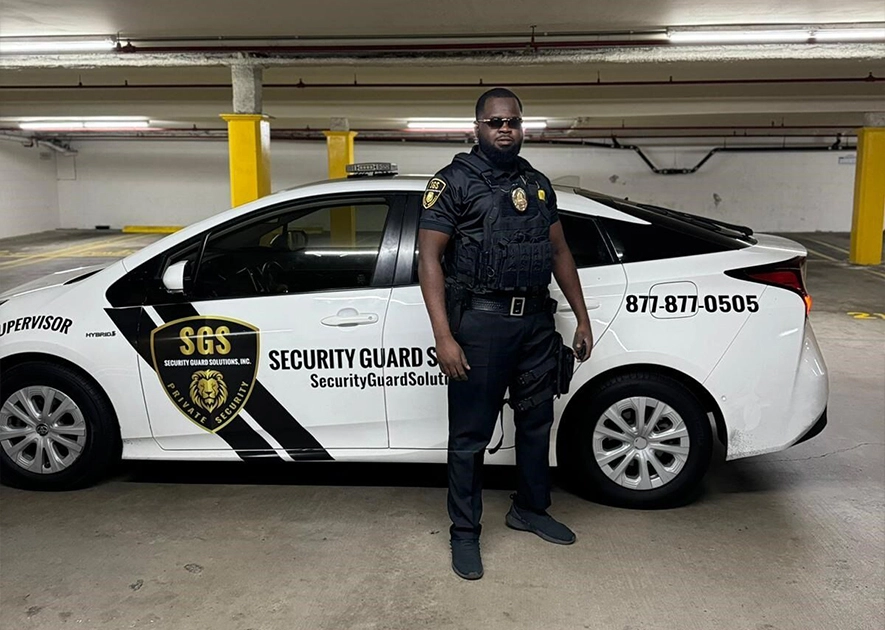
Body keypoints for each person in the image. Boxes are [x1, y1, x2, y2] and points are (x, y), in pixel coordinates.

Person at [417, 87, 593, 580]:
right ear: (477, 127)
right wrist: (444, 336)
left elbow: (559, 251)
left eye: (513, 121)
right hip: (481, 323)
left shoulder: (537, 184)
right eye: (495, 121)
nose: (505, 128)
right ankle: (465, 533)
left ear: (522, 126)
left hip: (535, 322)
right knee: (470, 437)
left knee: (537, 423)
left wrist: (581, 316)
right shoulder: (452, 183)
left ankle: (530, 509)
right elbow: (428, 259)